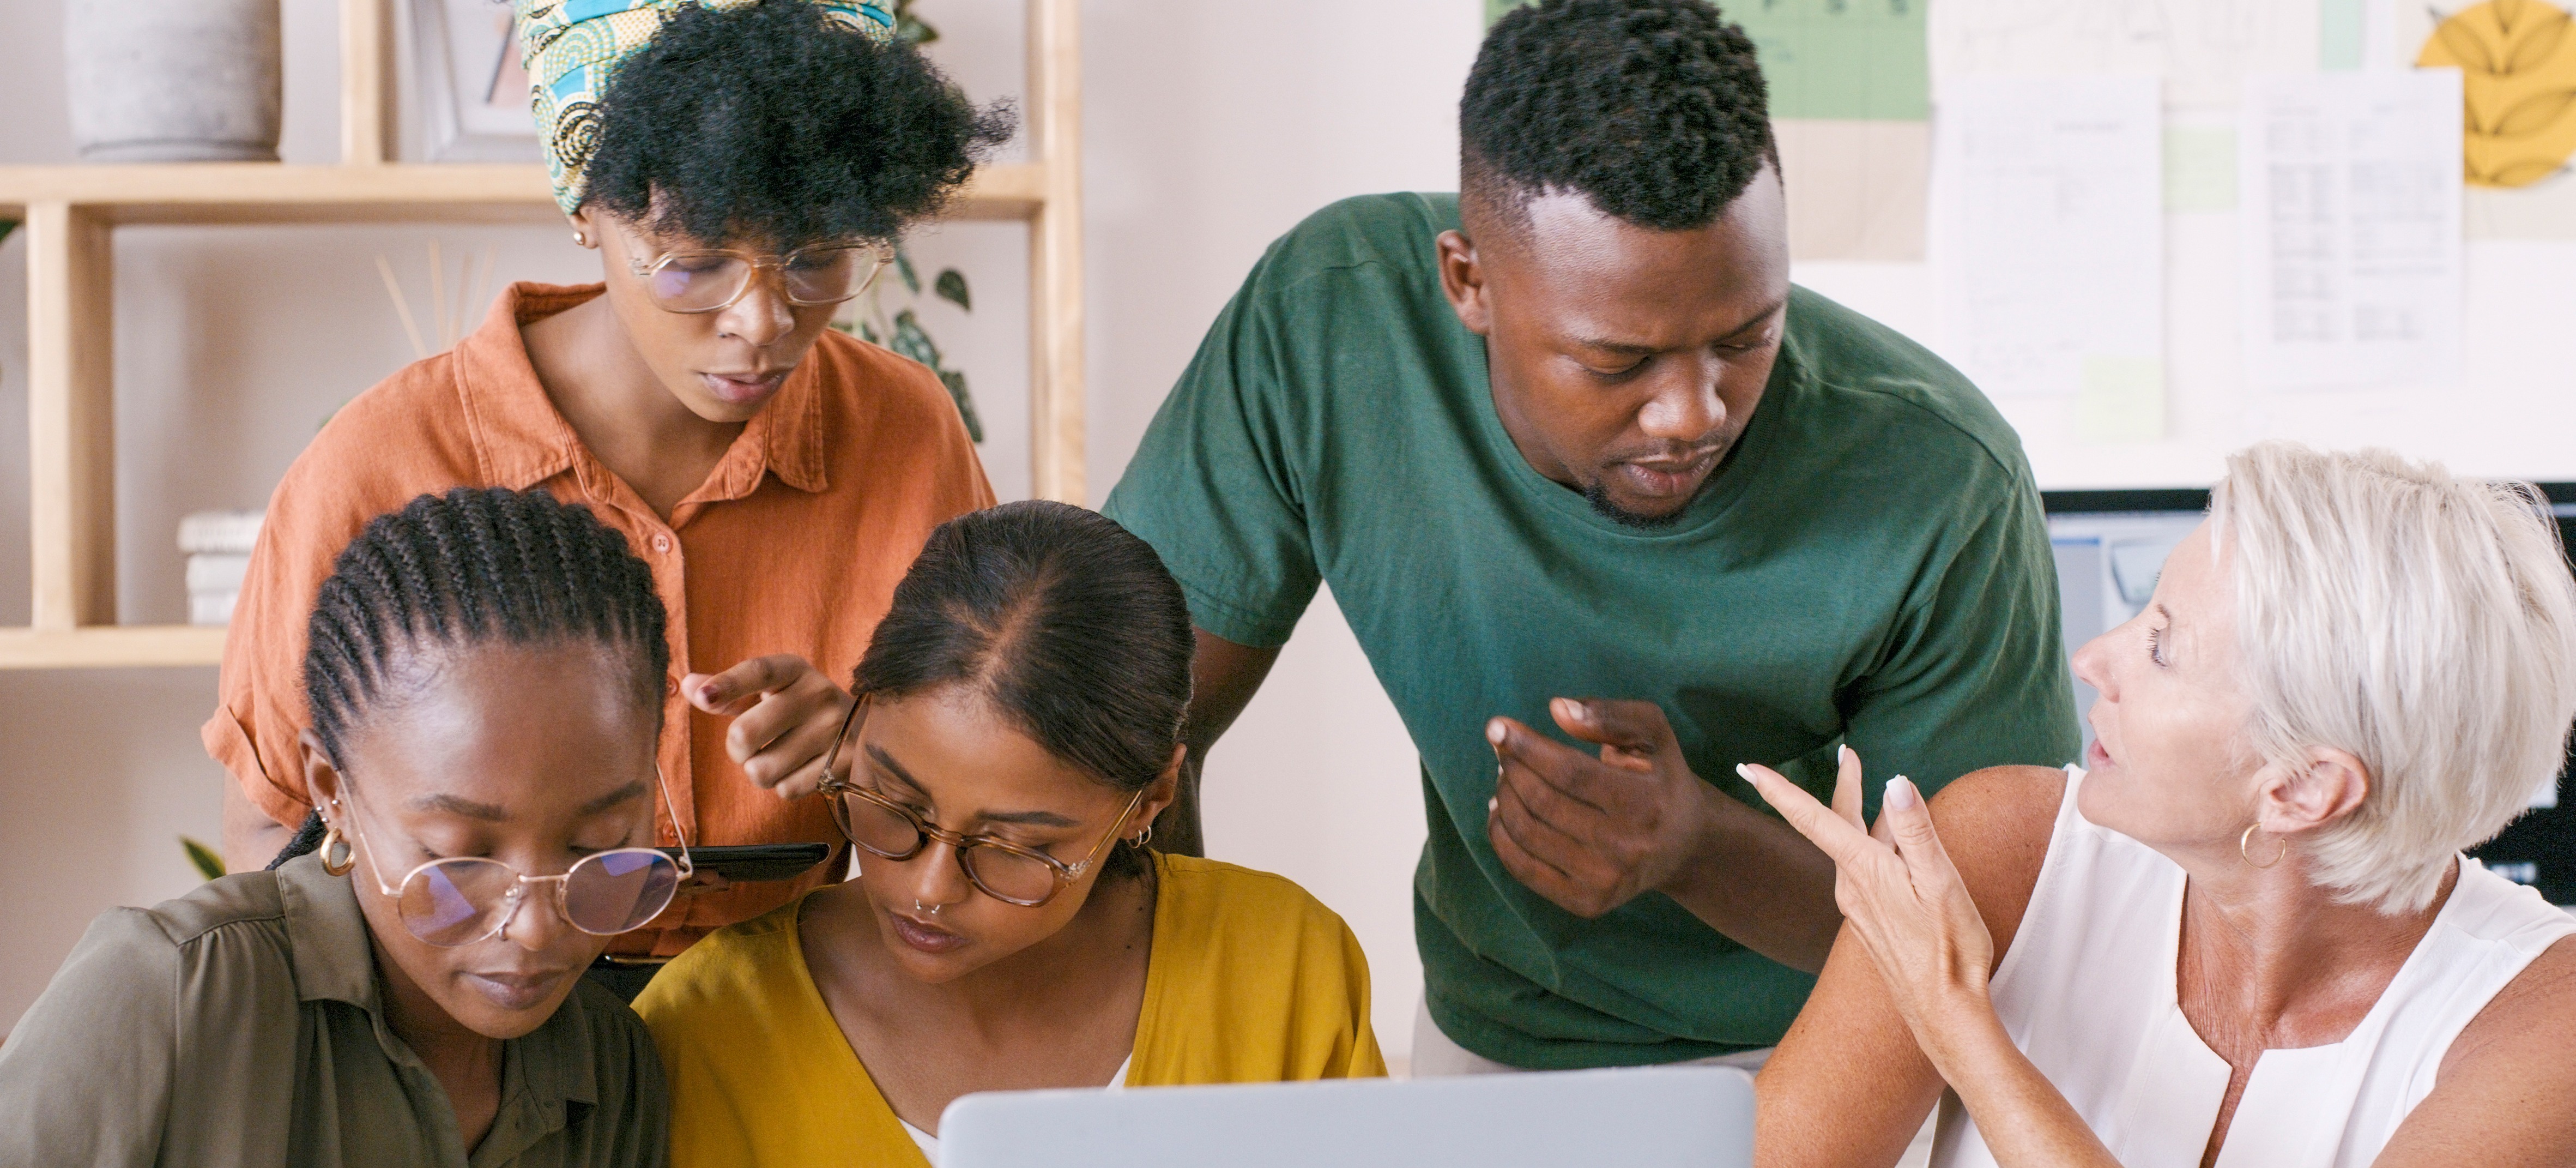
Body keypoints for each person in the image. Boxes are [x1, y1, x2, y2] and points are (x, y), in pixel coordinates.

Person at [1100, 0, 2077, 1073]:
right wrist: (1182, 1047)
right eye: (1619, 363)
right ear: (1466, 282)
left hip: (1844, 1037)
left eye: (1746, 335)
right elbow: (1129, 728)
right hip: (1497, 1033)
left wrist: (1694, 846)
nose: (1691, 413)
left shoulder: (1940, 476)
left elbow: (1974, 947)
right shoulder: (1329, 322)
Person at [207, 0, 1012, 967]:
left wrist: (870, 752)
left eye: (815, 259)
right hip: (467, 1033)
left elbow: (997, 778)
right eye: (695, 263)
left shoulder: (905, 432)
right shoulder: (380, 463)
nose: (761, 320)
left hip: (795, 1014)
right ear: (588, 209)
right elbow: (274, 835)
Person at [1749, 444, 2576, 1167]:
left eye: (2159, 647)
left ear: (2300, 786)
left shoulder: (2544, 1020)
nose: (2091, 660)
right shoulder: (2003, 850)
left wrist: (1953, 1016)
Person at [634, 501, 1385, 1166]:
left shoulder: (1283, 968)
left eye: (1012, 848)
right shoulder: (703, 1026)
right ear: (851, 726)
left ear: (1151, 798)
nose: (929, 888)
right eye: (893, 806)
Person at [0, 489, 681, 1167]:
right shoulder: (173, 992)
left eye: (599, 845)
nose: (535, 928)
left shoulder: (613, 1073)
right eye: (457, 855)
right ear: (331, 791)